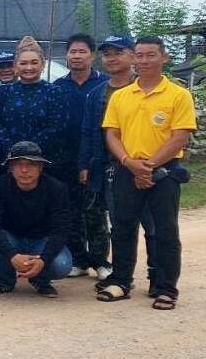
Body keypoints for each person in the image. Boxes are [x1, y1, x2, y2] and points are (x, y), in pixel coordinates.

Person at [98, 36, 196, 310]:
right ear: (133, 58)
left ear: (164, 57)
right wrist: (129, 162)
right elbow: (112, 134)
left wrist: (149, 166)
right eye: (139, 55)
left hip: (164, 172)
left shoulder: (178, 95)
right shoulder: (121, 96)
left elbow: (180, 137)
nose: (144, 61)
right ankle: (121, 281)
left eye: (151, 55)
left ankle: (166, 288)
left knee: (164, 230)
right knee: (122, 228)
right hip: (127, 170)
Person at [78, 35, 148, 281]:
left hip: (135, 162)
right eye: (107, 54)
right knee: (94, 215)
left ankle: (126, 271)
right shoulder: (97, 94)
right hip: (101, 161)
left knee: (125, 220)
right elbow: (88, 131)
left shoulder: (143, 89)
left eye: (118, 53)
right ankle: (100, 262)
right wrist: (84, 164)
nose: (112, 58)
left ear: (132, 55)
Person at [0, 141, 74, 298]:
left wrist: (43, 259)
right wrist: (12, 255)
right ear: (11, 167)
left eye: (31, 164)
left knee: (62, 264)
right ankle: (5, 281)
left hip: (42, 241)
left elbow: (61, 229)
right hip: (12, 239)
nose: (24, 170)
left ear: (40, 167)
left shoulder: (57, 188)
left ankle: (41, 280)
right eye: (19, 164)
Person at [53, 34, 109, 279]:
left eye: (82, 51)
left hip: (97, 155)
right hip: (65, 158)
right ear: (67, 55)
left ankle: (101, 261)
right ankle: (78, 259)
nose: (77, 56)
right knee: (70, 210)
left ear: (92, 55)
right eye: (72, 52)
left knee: (95, 211)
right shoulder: (58, 86)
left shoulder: (104, 84)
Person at [0, 38, 67, 174]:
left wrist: (28, 151)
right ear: (15, 66)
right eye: (23, 63)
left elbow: (56, 127)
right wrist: (14, 150)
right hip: (9, 159)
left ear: (43, 64)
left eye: (34, 62)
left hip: (45, 160)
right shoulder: (1, 93)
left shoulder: (55, 92)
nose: (29, 67)